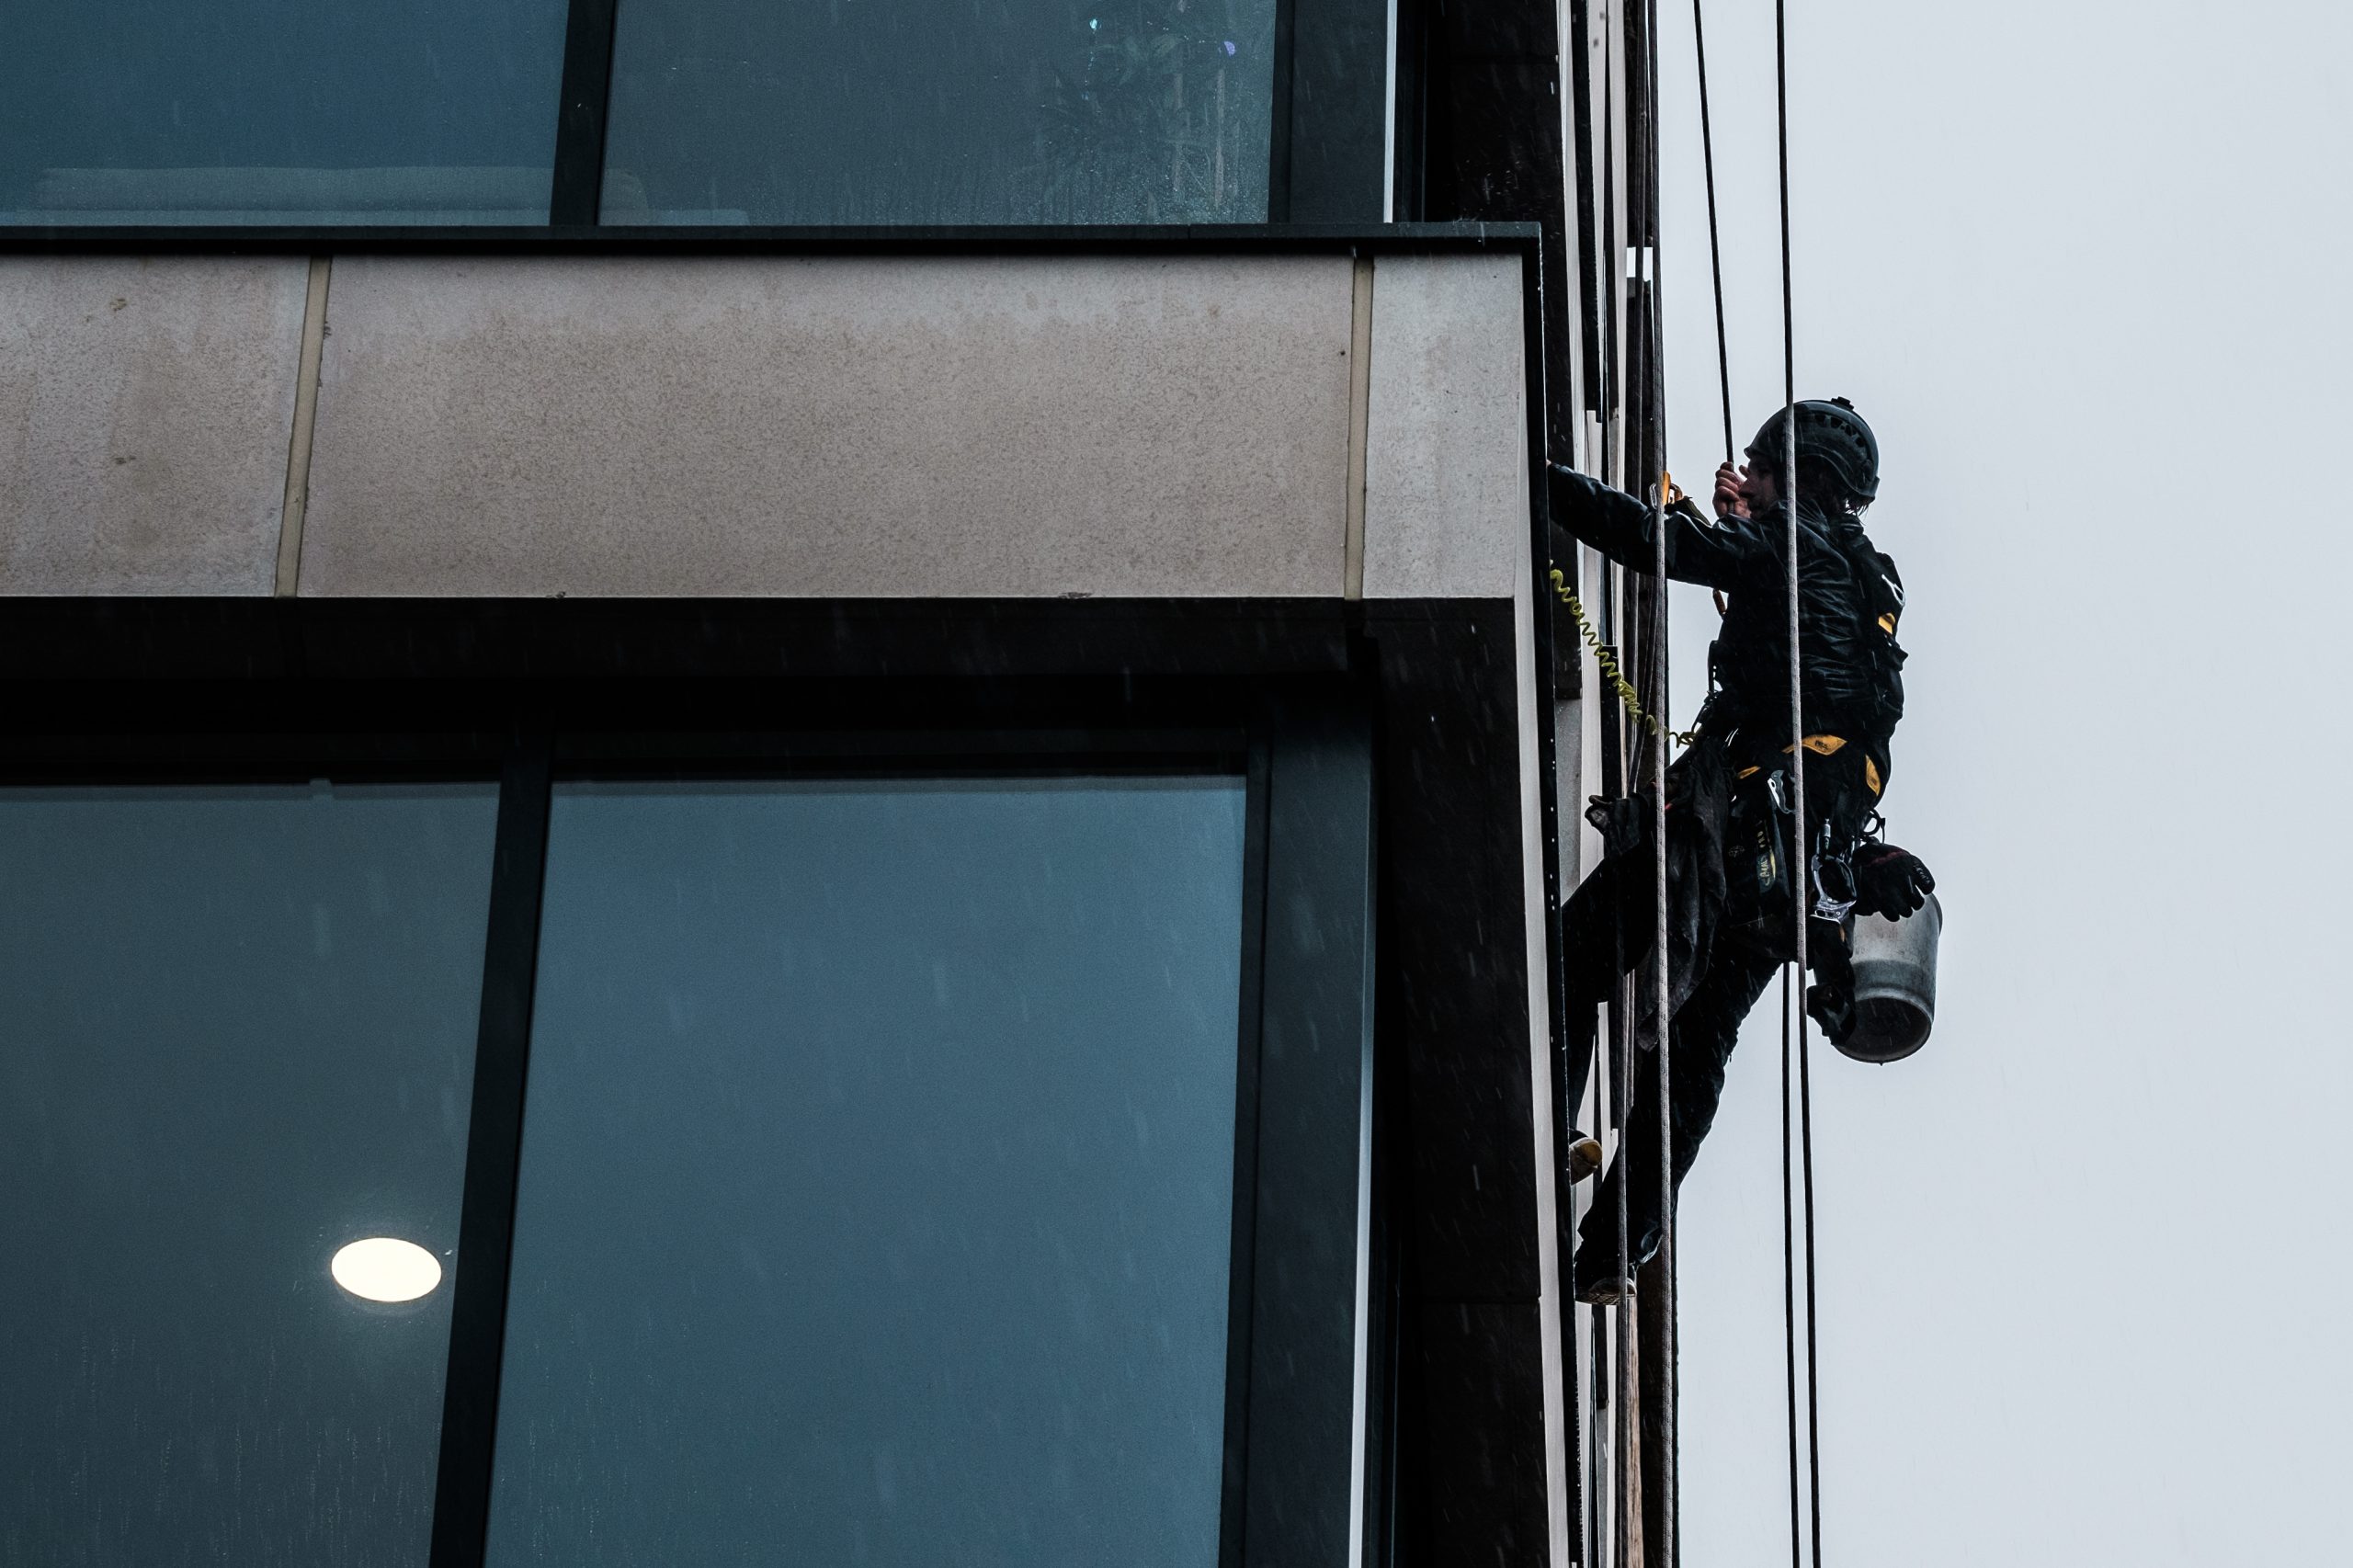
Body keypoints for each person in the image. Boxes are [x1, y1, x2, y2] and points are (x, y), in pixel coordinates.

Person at [1547, 398, 1936, 1303]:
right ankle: (1617, 1242)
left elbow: (1666, 546)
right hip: (1798, 871)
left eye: (1755, 469)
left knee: (1580, 950)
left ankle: (1543, 1123)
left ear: (1785, 472)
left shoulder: (1789, 542)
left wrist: (1548, 486)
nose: (1746, 482)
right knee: (1698, 1050)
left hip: (1727, 829)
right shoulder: (1868, 590)